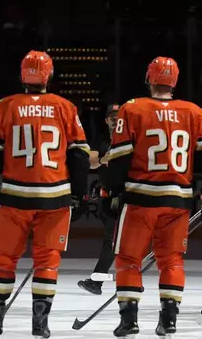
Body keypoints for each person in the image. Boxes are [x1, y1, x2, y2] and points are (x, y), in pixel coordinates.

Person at [0, 50, 91, 339]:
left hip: (15, 197)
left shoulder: (3, 107)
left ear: (22, 74)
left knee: (4, 259)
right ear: (49, 76)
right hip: (56, 198)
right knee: (47, 261)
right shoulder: (66, 107)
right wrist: (79, 195)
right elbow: (80, 156)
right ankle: (40, 324)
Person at [107, 56, 202, 337]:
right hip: (178, 201)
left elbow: (120, 156)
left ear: (149, 78)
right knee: (172, 261)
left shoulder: (133, 108)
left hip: (140, 199)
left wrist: (112, 189)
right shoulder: (193, 111)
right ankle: (169, 319)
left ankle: (129, 319)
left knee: (128, 259)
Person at [78, 103, 121, 295]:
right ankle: (128, 279)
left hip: (125, 196)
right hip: (107, 198)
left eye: (118, 116)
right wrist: (105, 159)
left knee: (113, 240)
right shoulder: (101, 139)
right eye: (112, 117)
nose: (115, 120)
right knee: (114, 240)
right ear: (106, 120)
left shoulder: (131, 137)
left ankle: (99, 279)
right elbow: (91, 162)